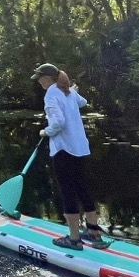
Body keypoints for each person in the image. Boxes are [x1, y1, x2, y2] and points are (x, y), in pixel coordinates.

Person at [30, 63, 109, 250]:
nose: (39, 81)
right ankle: (94, 233)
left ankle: (74, 239)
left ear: (48, 78)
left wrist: (45, 132)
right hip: (80, 148)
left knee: (67, 192)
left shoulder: (51, 93)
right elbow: (83, 102)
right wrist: (73, 91)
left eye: (40, 78)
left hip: (63, 150)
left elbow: (58, 122)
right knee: (82, 188)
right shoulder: (67, 91)